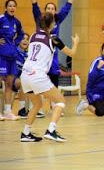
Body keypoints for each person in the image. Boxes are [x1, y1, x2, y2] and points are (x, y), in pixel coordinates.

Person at [20, 12, 79, 142]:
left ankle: (25, 133)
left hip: (25, 75)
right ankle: (51, 130)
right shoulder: (53, 39)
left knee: (37, 104)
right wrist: (76, 43)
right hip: (37, 75)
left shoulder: (33, 35)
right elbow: (72, 53)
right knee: (60, 101)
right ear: (51, 24)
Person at [27, 0, 78, 114]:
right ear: (45, 11)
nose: (50, 10)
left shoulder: (58, 19)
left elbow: (67, 7)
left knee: (53, 76)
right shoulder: (40, 19)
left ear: (55, 12)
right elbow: (34, 6)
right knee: (40, 77)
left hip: (53, 52)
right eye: (48, 8)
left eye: (52, 8)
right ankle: (41, 107)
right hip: (40, 55)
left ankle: (56, 104)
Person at [0, 0, 24, 121]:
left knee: (9, 84)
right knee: (0, 83)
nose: (12, 8)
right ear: (5, 7)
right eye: (10, 6)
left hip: (12, 57)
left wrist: (16, 42)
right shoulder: (1, 19)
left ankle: (8, 111)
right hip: (1, 56)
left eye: (14, 6)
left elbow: (21, 34)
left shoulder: (17, 22)